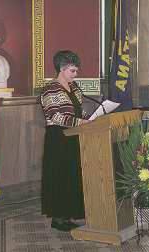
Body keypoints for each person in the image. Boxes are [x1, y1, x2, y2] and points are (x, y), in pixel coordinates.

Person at [40, 50, 89, 232]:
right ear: (61, 70)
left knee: (72, 176)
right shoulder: (50, 90)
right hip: (58, 138)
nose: (75, 75)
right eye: (72, 71)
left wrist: (91, 118)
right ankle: (58, 218)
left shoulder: (74, 88)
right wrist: (80, 121)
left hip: (74, 136)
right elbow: (56, 116)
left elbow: (79, 111)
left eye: (76, 71)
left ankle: (69, 215)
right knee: (59, 176)